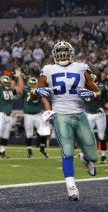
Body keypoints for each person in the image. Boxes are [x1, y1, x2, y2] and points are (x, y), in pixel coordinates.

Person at [33, 41, 101, 201]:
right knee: (67, 151)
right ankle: (71, 186)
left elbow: (96, 90)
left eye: (65, 51)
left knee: (94, 156)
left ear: (71, 52)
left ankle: (85, 159)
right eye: (60, 51)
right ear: (54, 54)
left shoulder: (81, 67)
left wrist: (93, 95)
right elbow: (36, 91)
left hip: (80, 114)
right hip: (61, 115)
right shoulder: (48, 69)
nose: (63, 54)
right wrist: (35, 93)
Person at [0, 73, 24, 158]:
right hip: (1, 114)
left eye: (8, 82)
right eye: (6, 82)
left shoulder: (11, 90)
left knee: (6, 135)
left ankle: (2, 152)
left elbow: (20, 88)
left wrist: (19, 77)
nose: (7, 84)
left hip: (9, 115)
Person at [22, 77, 50, 158]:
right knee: (29, 135)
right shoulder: (25, 90)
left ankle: (42, 149)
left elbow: (45, 102)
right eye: (31, 84)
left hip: (37, 114)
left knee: (44, 132)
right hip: (28, 115)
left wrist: (48, 112)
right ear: (28, 84)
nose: (33, 86)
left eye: (34, 84)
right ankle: (29, 152)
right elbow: (19, 90)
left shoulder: (40, 91)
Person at [83, 74, 107, 164]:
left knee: (101, 135)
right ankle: (89, 155)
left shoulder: (101, 88)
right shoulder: (83, 89)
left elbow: (103, 96)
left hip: (99, 114)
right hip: (89, 114)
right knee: (88, 135)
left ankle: (103, 156)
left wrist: (104, 108)